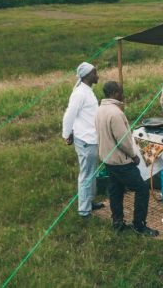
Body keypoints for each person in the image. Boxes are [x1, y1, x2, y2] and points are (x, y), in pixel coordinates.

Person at [96, 81, 159, 237]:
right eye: (121, 92)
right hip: (121, 161)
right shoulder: (116, 113)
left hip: (107, 159)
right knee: (142, 189)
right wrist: (133, 155)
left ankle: (117, 222)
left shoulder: (100, 110)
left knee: (115, 190)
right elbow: (123, 140)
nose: (122, 95)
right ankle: (139, 225)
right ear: (115, 92)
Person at [61, 62, 104, 217]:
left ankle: (90, 201)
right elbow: (69, 114)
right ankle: (84, 210)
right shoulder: (80, 93)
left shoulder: (87, 91)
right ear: (87, 76)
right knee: (86, 174)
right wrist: (67, 134)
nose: (97, 75)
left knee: (92, 172)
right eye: (95, 73)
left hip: (91, 137)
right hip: (86, 140)